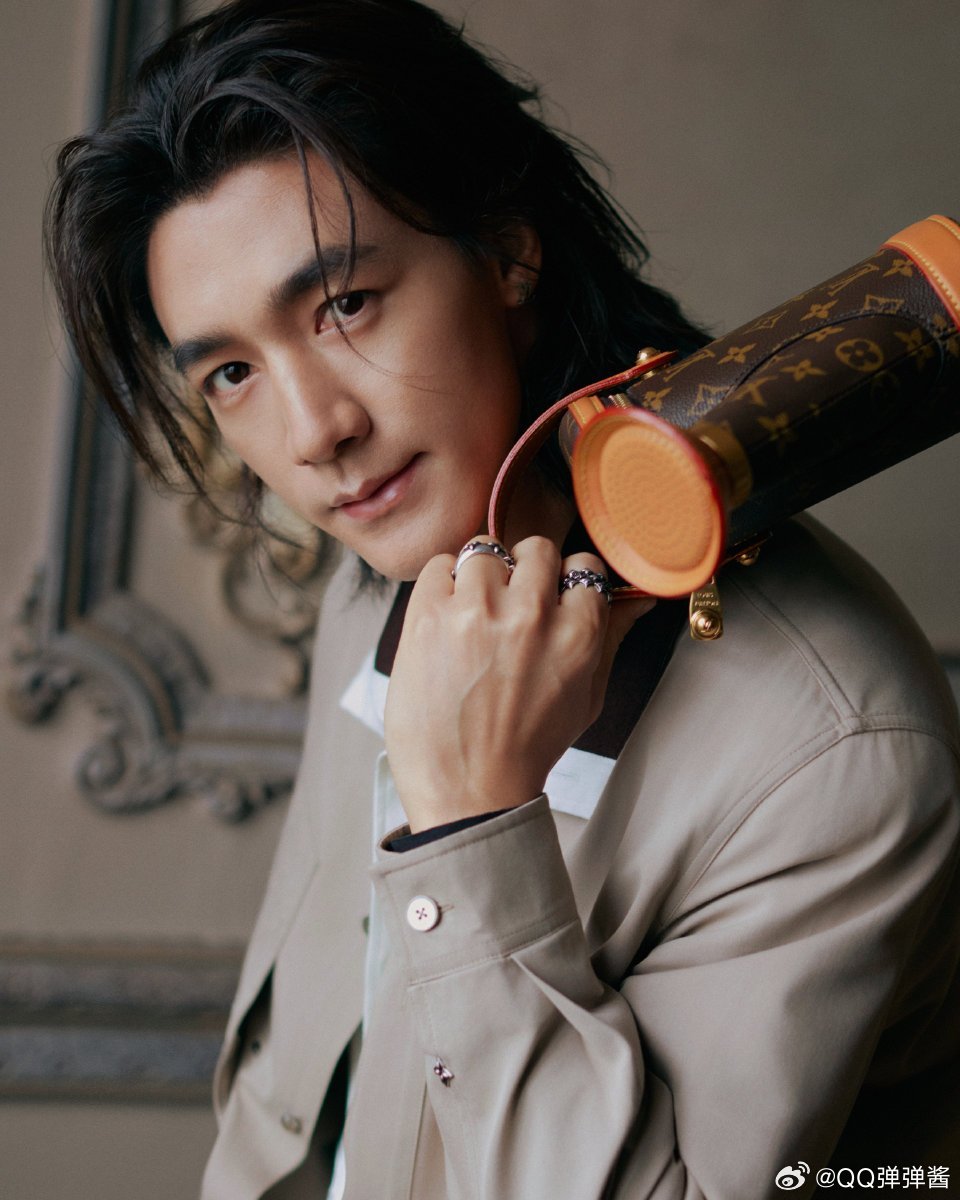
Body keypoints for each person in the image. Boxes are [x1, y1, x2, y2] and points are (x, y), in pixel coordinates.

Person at [45, 1, 960, 1196]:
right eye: (232, 371)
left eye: (345, 305)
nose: (315, 432)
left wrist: (472, 826)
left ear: (508, 250)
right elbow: (290, 1106)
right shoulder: (381, 575)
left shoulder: (838, 757)